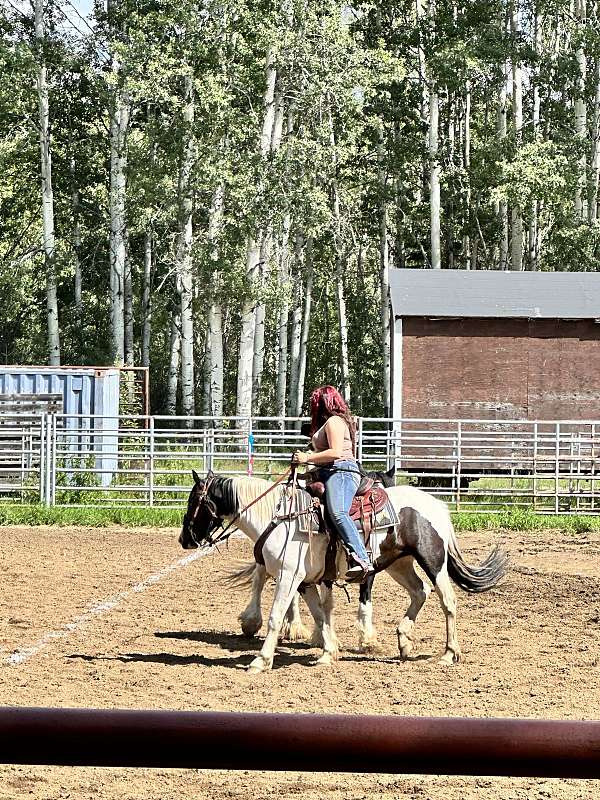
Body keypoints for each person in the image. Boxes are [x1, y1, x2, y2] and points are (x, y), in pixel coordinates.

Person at [292, 385, 374, 582]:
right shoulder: (329, 423)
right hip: (330, 472)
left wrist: (307, 458)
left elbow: (336, 452)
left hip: (343, 472)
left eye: (316, 402)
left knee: (338, 512)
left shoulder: (334, 421)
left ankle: (362, 559)